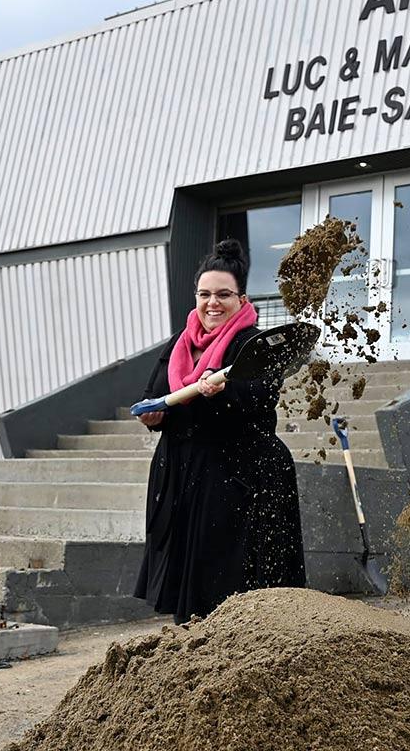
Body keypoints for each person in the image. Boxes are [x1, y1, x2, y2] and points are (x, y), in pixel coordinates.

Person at [133, 239, 306, 623]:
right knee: (188, 593)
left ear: (242, 299)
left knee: (229, 584)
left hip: (237, 476)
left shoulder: (253, 344)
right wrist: (154, 415)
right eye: (205, 294)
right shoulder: (178, 346)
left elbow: (261, 400)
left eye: (223, 295)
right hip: (182, 473)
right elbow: (156, 396)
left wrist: (225, 392)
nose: (213, 303)